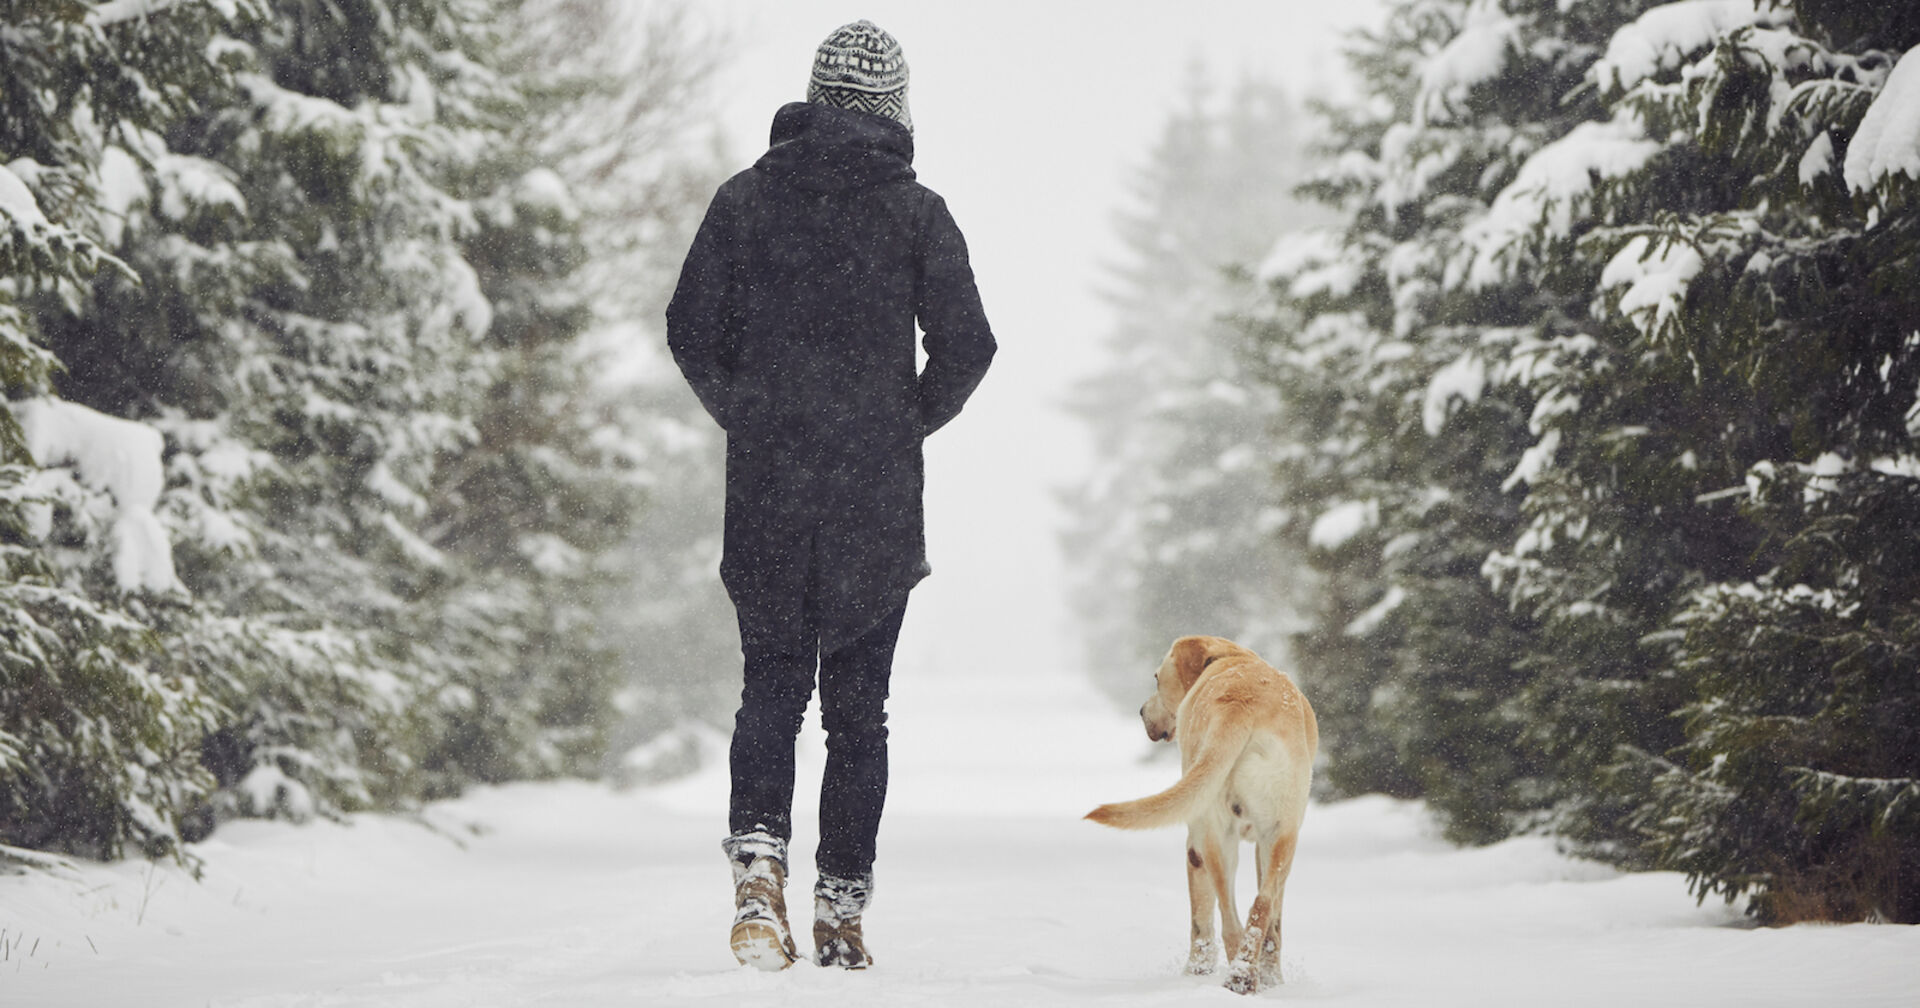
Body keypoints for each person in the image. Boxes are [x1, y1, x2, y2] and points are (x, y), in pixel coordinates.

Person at [665, 19, 996, 972]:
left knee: (770, 685)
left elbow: (691, 328)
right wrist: (898, 427)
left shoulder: (746, 201)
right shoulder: (918, 213)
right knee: (861, 710)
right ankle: (841, 911)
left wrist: (753, 414)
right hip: (875, 503)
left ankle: (758, 880)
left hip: (768, 490)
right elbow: (970, 346)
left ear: (813, 98)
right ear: (894, 111)